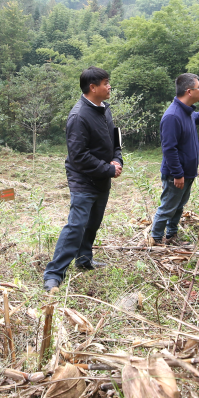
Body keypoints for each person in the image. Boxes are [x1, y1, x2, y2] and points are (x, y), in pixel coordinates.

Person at [43, 67, 122, 292]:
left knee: (93, 222)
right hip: (83, 179)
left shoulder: (104, 109)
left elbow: (115, 141)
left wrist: (117, 160)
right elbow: (78, 156)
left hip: (102, 176)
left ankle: (84, 259)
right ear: (93, 87)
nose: (109, 87)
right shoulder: (78, 116)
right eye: (105, 83)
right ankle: (53, 274)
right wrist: (108, 169)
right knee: (76, 226)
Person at [153, 73, 199, 245]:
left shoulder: (186, 111)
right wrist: (178, 174)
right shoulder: (172, 116)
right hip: (176, 174)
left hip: (187, 172)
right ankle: (155, 239)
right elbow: (169, 149)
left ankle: (171, 236)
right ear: (189, 91)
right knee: (168, 207)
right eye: (198, 88)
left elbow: (195, 118)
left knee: (178, 207)